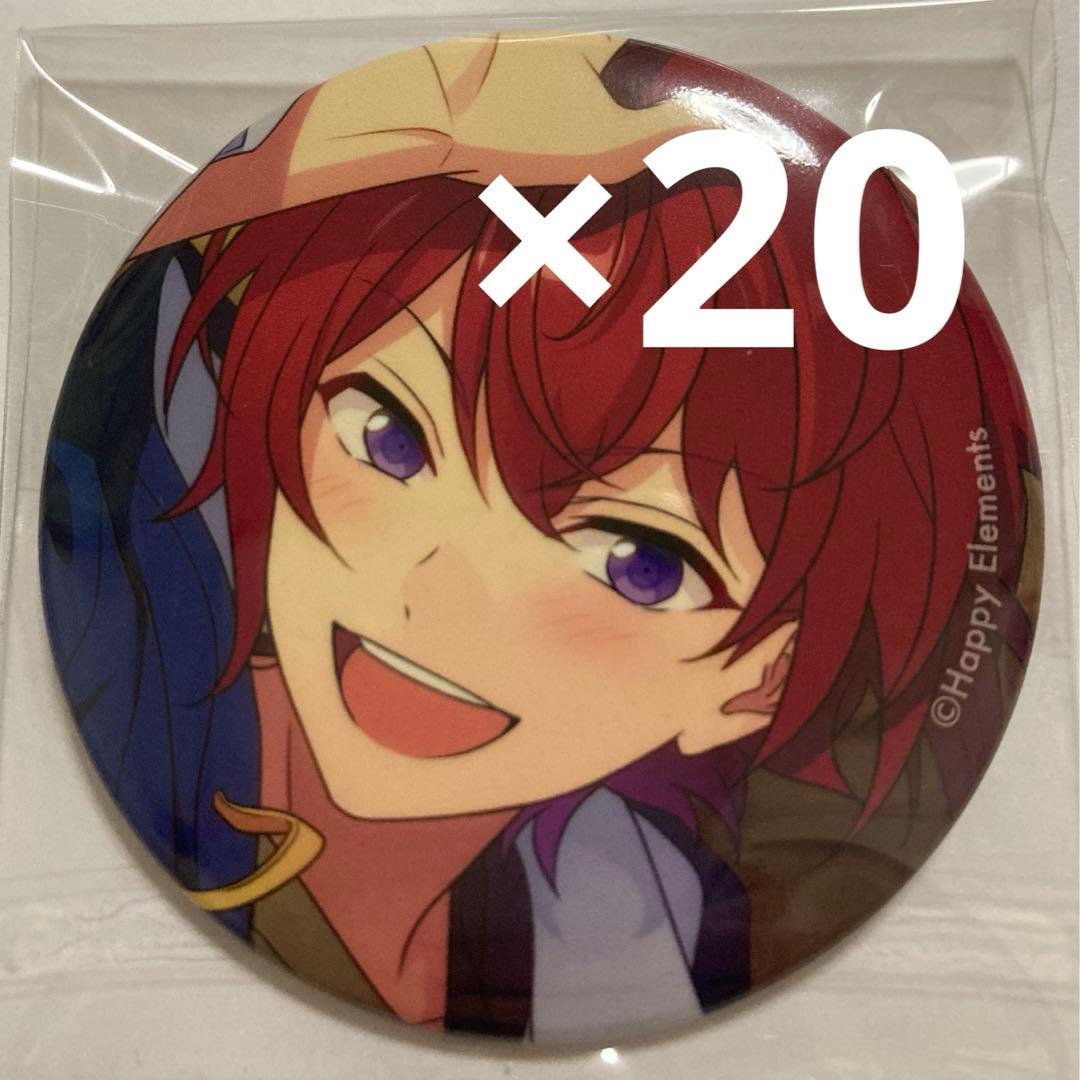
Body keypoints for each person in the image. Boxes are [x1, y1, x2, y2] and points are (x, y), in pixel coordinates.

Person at [40, 33, 1039, 1042]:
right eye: (390, 437)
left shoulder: (650, 921)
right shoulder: (135, 670)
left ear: (756, 681)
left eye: (640, 564)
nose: (437, 598)